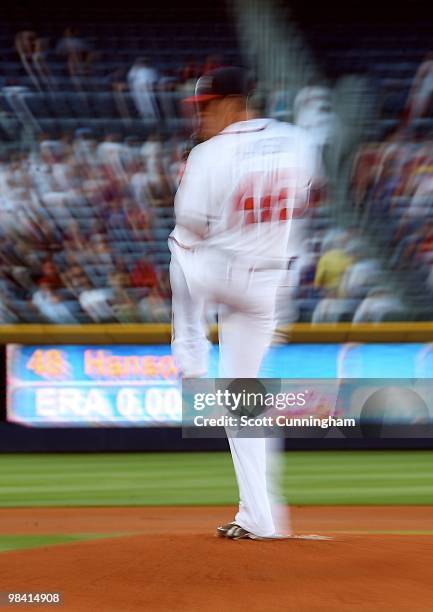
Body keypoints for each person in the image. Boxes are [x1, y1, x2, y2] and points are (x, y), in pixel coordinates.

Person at [169, 67, 319, 540]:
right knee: (244, 401)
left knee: (180, 245)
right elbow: (306, 196)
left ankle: (190, 363)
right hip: (271, 289)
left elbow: (192, 228)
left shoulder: (209, 154)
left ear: (234, 104)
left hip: (228, 276)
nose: (202, 117)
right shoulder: (298, 141)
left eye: (208, 107)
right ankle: (260, 517)